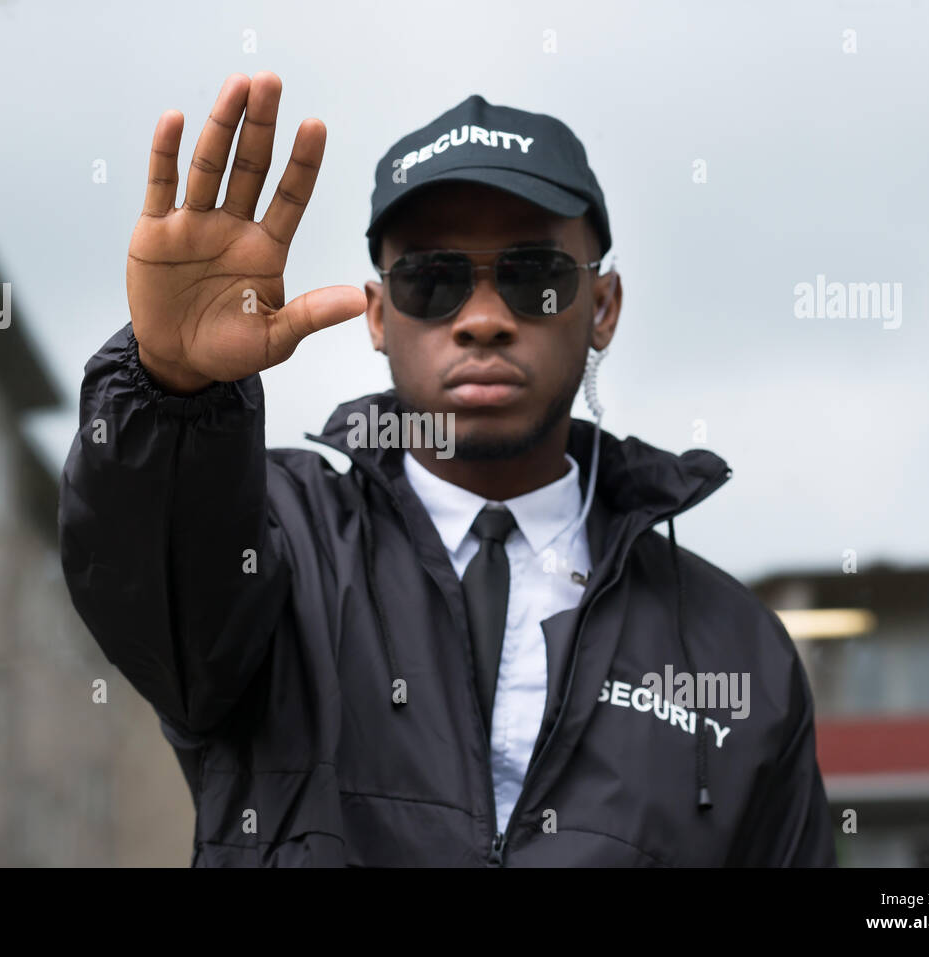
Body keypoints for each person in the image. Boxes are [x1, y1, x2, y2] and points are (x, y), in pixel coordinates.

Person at [58, 71, 836, 867]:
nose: (485, 319)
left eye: (535, 276)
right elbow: (142, 582)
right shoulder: (274, 539)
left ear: (602, 306)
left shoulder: (735, 647)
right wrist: (171, 388)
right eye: (433, 280)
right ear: (376, 315)